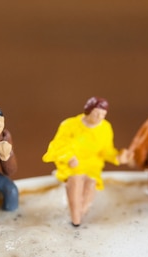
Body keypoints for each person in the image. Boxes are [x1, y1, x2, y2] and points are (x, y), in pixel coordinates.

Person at [42, 97, 129, 227]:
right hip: (72, 164)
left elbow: (106, 150)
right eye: (96, 113)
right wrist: (69, 157)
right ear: (88, 111)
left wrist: (117, 157)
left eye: (103, 115)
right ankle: (75, 220)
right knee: (76, 182)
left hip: (92, 165)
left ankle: (79, 219)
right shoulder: (69, 124)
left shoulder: (105, 127)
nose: (100, 117)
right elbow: (58, 145)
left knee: (90, 186)